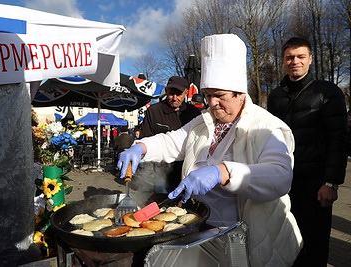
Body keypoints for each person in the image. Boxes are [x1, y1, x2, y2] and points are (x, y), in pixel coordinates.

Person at [118, 34, 302, 266]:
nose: (212, 103)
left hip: (248, 234)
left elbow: (280, 177)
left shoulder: (266, 126)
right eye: (207, 96)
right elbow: (173, 141)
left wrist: (222, 172)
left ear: (239, 93)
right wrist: (141, 147)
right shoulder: (204, 121)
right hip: (201, 227)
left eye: (220, 96)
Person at [267, 37, 348, 267]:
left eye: (301, 56)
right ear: (283, 61)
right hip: (284, 182)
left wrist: (331, 182)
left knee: (315, 243)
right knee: (285, 240)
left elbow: (338, 138)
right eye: (289, 57)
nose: (295, 61)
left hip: (316, 182)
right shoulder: (275, 96)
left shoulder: (327, 91)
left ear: (310, 59)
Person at [138, 76, 201, 192]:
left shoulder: (193, 112)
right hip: (161, 171)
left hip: (187, 169)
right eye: (171, 93)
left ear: (186, 93)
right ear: (166, 91)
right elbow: (145, 138)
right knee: (162, 202)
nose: (174, 98)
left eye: (179, 94)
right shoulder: (154, 111)